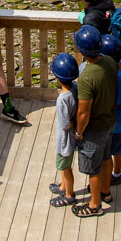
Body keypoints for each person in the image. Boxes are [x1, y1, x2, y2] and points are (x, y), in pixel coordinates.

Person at [71, 24, 118, 217]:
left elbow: (83, 112)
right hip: (110, 121)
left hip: (94, 128)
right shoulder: (109, 62)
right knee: (107, 158)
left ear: (82, 51)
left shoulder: (86, 78)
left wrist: (79, 132)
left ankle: (94, 204)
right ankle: (106, 192)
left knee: (94, 168)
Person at [48, 53, 80, 207]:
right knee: (65, 164)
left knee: (64, 166)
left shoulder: (62, 100)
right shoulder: (76, 88)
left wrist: (72, 122)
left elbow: (65, 123)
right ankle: (63, 186)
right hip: (72, 136)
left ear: (57, 78)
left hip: (65, 139)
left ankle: (69, 194)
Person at [101, 33, 121, 188]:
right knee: (117, 148)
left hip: (114, 121)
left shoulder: (116, 77)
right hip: (120, 120)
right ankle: (117, 172)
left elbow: (114, 104)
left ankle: (114, 175)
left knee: (110, 150)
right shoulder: (119, 68)